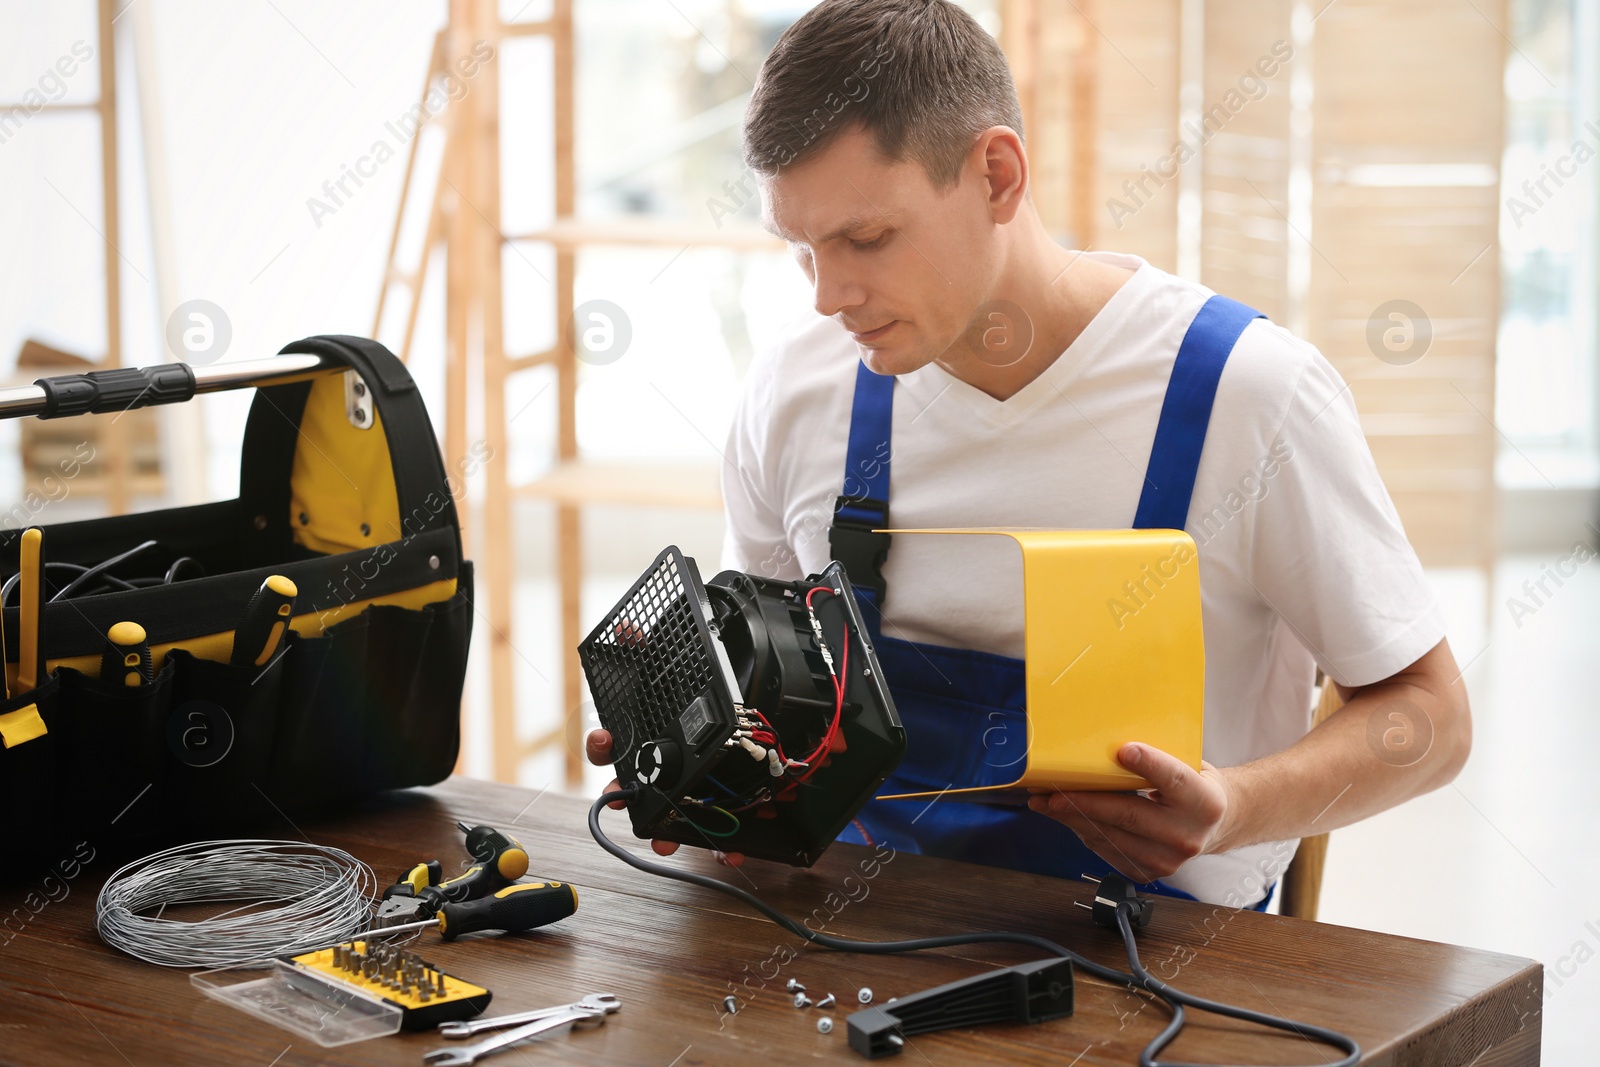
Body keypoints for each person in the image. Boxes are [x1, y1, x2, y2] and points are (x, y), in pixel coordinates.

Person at [587, 0, 1470, 909]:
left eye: (867, 238)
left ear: (998, 176)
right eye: (802, 249)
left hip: (1163, 952)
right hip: (850, 916)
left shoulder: (1250, 397)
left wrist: (1235, 807)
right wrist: (700, 750)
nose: (829, 296)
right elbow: (768, 694)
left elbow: (1432, 715)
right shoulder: (798, 389)